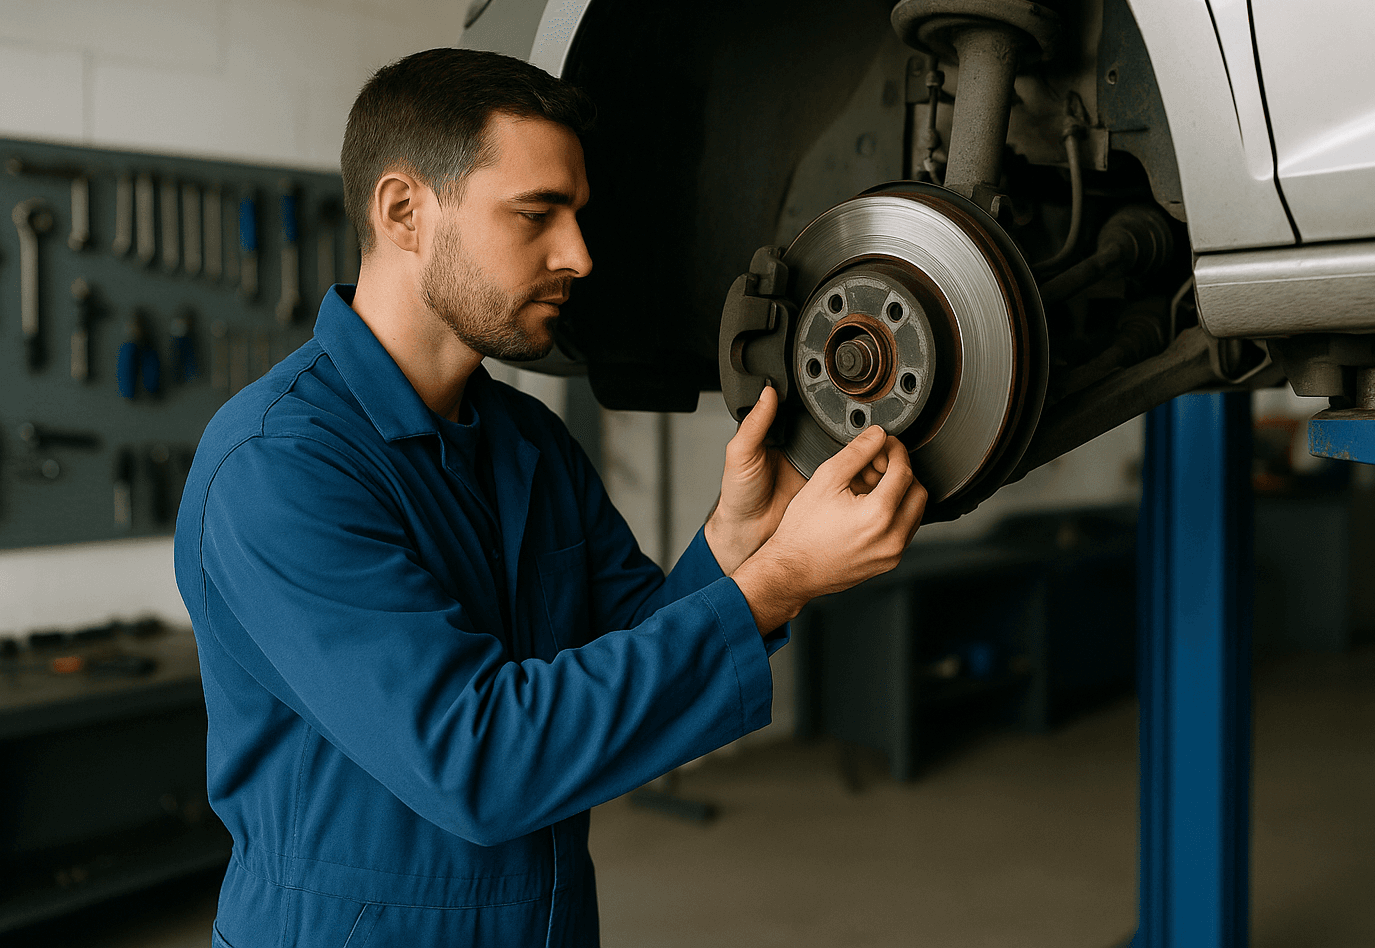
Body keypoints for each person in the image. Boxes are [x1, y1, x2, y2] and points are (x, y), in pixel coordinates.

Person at [173, 47, 927, 948]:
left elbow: (616, 670)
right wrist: (778, 586)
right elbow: (479, 762)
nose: (578, 254)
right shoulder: (279, 467)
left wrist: (737, 548)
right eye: (538, 215)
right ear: (405, 211)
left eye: (576, 214)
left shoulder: (529, 444)